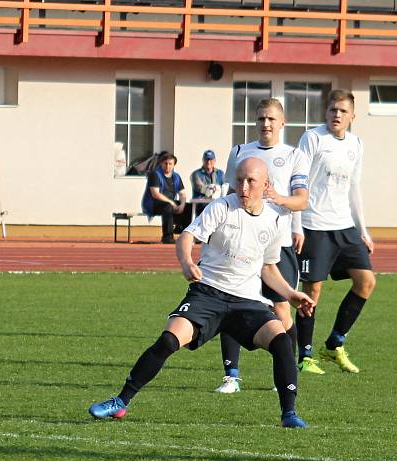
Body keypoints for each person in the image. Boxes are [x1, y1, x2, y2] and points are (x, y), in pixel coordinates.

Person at [89, 157, 315, 428]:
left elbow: (268, 268)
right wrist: (186, 262)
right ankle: (120, 402)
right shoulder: (221, 207)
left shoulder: (275, 220)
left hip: (247, 301)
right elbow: (187, 236)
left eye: (250, 181)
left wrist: (291, 294)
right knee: (169, 340)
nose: (243, 187)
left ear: (266, 184)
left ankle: (288, 414)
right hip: (207, 294)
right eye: (239, 180)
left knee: (281, 341)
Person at [213, 98, 311, 393]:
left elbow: (302, 199)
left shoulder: (294, 155)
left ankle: (287, 373)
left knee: (282, 311)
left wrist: (279, 200)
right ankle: (231, 376)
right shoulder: (240, 152)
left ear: (282, 123)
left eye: (271, 119)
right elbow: (230, 193)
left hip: (276, 244)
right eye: (260, 119)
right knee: (229, 303)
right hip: (241, 242)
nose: (265, 124)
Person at [295, 89, 376, 374]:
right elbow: (299, 182)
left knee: (366, 282)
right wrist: (297, 225)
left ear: (352, 116)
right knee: (312, 292)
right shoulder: (313, 138)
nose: (336, 115)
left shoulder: (356, 144)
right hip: (314, 226)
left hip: (345, 227)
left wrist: (363, 230)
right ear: (325, 112)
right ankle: (305, 356)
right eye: (332, 110)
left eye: (342, 111)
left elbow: (354, 188)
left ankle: (334, 343)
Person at [141, 152, 186, 243]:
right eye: (166, 163)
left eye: (170, 164)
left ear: (174, 165)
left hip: (169, 203)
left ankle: (185, 234)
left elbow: (182, 194)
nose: (168, 166)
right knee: (168, 207)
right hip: (153, 204)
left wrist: (182, 204)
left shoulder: (176, 177)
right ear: (161, 163)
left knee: (189, 208)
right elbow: (155, 194)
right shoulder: (155, 175)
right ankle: (167, 237)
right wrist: (171, 202)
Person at [188, 149, 224, 222]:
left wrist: (216, 190)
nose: (208, 162)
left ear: (214, 161)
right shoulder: (195, 174)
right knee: (209, 208)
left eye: (211, 160)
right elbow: (200, 188)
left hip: (217, 202)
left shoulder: (220, 173)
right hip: (201, 202)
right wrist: (214, 189)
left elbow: (224, 188)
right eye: (206, 160)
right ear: (203, 160)